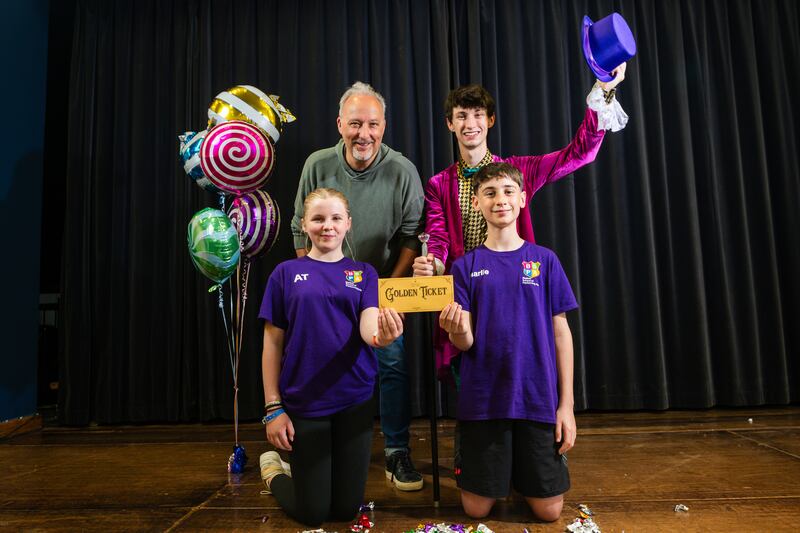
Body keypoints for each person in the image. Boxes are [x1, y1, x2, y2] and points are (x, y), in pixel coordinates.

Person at [413, 65, 627, 378]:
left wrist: (603, 89)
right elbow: (438, 237)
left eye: (477, 114)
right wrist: (435, 265)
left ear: (490, 120)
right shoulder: (438, 184)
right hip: (468, 297)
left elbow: (578, 154)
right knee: (472, 390)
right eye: (461, 115)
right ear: (450, 123)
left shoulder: (518, 172)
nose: (470, 123)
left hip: (515, 292)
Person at [290, 82, 425, 491]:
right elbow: (300, 228)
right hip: (327, 288)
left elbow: (412, 234)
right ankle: (323, 444)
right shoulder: (317, 164)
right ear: (339, 125)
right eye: (354, 124)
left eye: (371, 124)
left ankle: (397, 450)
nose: (363, 133)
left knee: (393, 363)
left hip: (382, 286)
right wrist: (315, 284)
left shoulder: (402, 170)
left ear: (384, 126)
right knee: (321, 361)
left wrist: (387, 290)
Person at [439, 162, 578, 521]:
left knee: (550, 512)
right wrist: (455, 329)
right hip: (484, 401)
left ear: (522, 199)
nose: (500, 199)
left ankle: (520, 471)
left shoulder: (545, 261)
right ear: (476, 204)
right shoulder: (464, 267)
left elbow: (561, 333)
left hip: (536, 398)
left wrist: (566, 406)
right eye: (490, 193)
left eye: (507, 191)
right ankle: (500, 470)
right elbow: (465, 342)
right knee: (476, 510)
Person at [259, 188, 404, 527]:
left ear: (348, 224)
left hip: (354, 400)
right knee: (312, 514)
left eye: (336, 218)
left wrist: (383, 335)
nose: (328, 226)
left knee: (344, 511)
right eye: (319, 219)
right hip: (304, 402)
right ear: (304, 225)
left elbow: (370, 327)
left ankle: (312, 478)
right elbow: (271, 344)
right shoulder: (285, 273)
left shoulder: (364, 273)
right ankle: (274, 473)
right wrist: (272, 408)